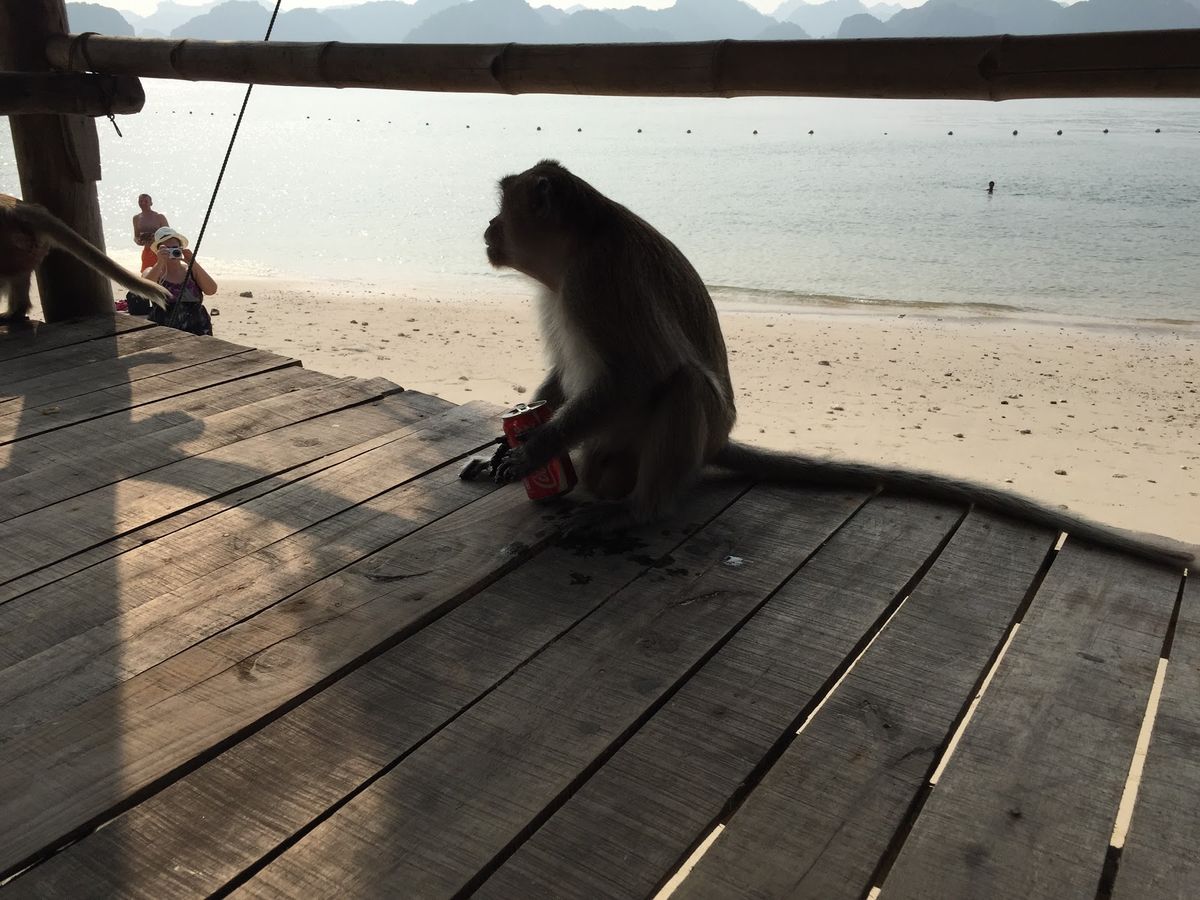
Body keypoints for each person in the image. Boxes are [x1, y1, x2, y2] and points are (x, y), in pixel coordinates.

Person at [142, 226, 218, 335]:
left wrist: (193, 263)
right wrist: (159, 264)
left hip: (198, 327)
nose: (171, 251)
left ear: (180, 248)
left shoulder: (191, 270)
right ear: (158, 251)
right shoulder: (152, 272)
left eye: (174, 247)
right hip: (165, 329)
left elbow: (211, 290)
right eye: (166, 249)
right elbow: (145, 290)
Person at [132, 194, 169, 272]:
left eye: (146, 201)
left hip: (160, 250)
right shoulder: (136, 218)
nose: (143, 203)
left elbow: (169, 235)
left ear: (151, 203)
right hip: (147, 250)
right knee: (147, 274)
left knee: (163, 275)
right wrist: (138, 241)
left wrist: (154, 237)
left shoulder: (159, 217)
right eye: (140, 201)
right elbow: (136, 236)